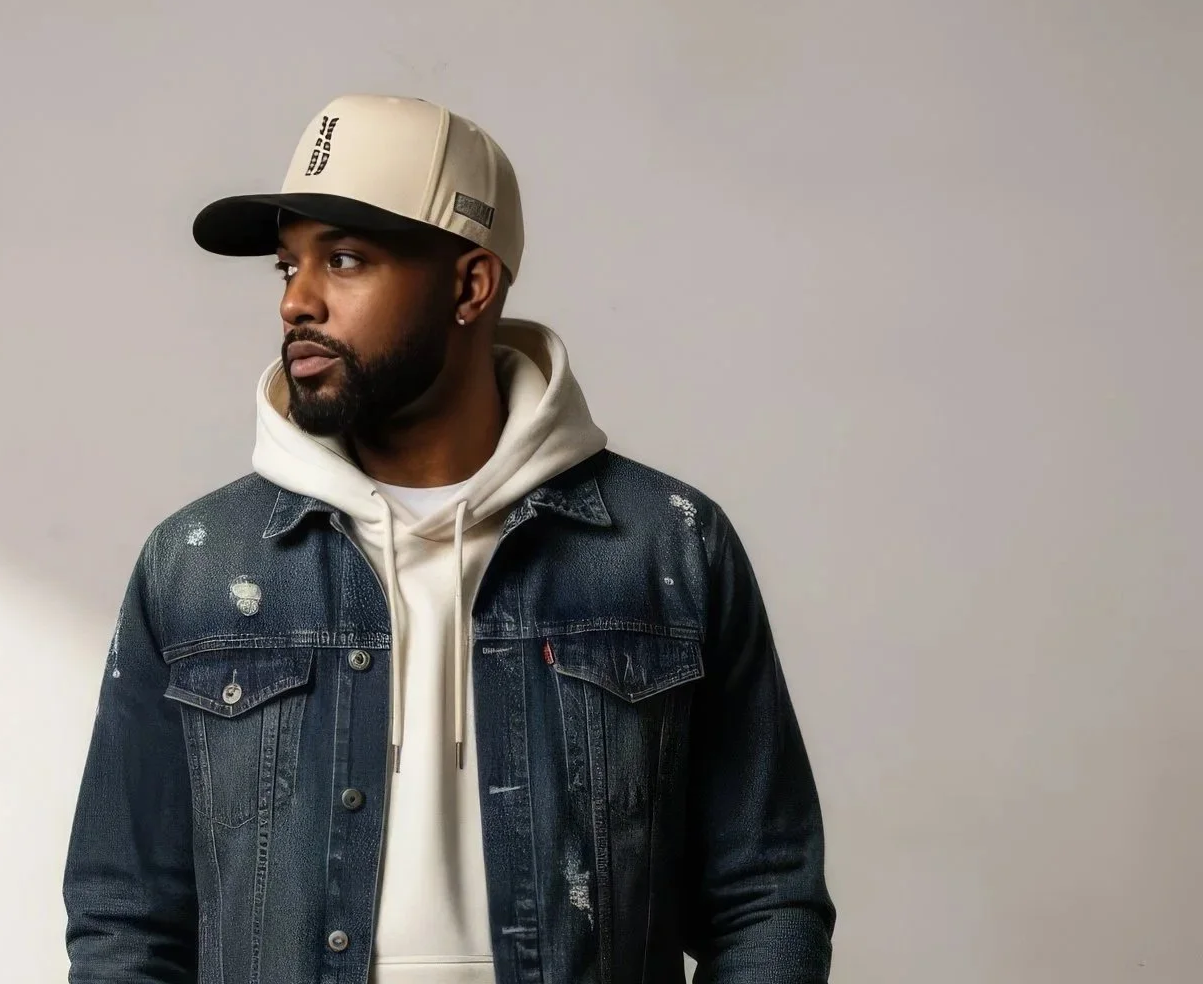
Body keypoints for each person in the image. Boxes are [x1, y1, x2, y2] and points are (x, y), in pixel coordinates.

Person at [63, 94, 835, 983]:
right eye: (287, 266)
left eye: (344, 260)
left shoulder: (664, 548)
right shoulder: (200, 564)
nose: (297, 302)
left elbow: (766, 895)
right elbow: (127, 923)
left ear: (471, 286)